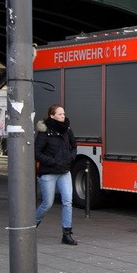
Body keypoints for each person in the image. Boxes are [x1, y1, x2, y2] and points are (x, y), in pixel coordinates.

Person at [35, 104, 78, 245]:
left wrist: (70, 158)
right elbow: (37, 153)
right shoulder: (44, 131)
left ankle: (67, 233)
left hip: (64, 171)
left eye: (63, 113)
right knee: (47, 203)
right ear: (52, 115)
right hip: (48, 172)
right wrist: (53, 162)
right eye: (60, 114)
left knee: (68, 202)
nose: (63, 116)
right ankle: (31, 224)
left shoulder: (67, 130)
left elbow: (74, 146)